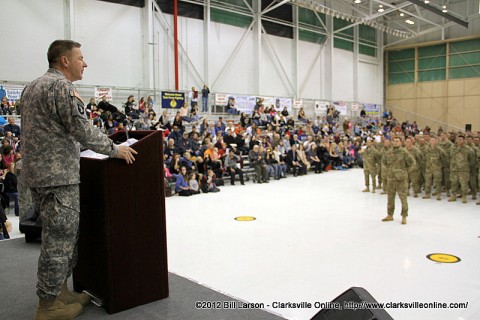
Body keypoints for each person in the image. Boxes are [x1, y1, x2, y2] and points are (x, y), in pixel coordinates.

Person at [20, 40, 137, 319]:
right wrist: (114, 149)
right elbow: (81, 128)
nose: (85, 64)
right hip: (58, 177)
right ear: (64, 61)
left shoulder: (31, 86)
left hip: (39, 176)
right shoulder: (61, 87)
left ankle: (59, 293)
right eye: (81, 58)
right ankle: (47, 307)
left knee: (58, 238)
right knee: (59, 241)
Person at [381, 136, 415, 225]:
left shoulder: (404, 152)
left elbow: (412, 163)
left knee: (403, 197)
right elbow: (384, 162)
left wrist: (405, 172)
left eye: (397, 141)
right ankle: (390, 215)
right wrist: (387, 171)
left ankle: (404, 216)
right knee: (390, 198)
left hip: (401, 179)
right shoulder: (389, 152)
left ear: (400, 142)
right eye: (394, 141)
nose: (395, 142)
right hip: (391, 179)